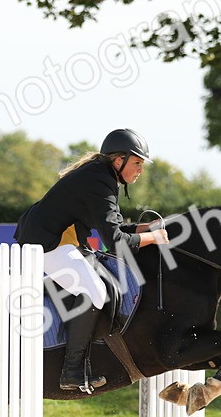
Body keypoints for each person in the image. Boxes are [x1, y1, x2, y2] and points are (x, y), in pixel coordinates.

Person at [14, 128, 170, 392]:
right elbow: (117, 244)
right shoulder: (100, 180)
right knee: (94, 291)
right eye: (137, 163)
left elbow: (115, 230)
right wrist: (152, 239)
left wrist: (144, 230)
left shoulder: (102, 176)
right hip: (47, 243)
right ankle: (72, 371)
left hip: (62, 240)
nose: (140, 169)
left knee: (100, 284)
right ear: (118, 160)